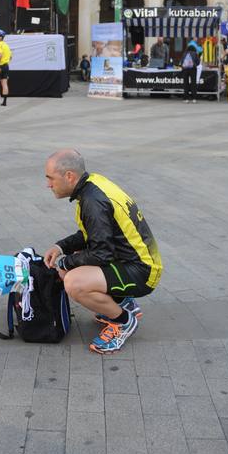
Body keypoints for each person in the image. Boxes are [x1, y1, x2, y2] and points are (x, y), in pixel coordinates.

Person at [43, 149, 162, 355]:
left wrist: (65, 262)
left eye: (51, 178)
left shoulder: (93, 201)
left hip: (142, 272)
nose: (48, 185)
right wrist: (60, 246)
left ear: (69, 176)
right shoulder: (93, 185)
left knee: (72, 281)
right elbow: (94, 235)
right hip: (132, 261)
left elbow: (101, 253)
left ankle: (123, 322)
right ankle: (122, 302)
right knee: (73, 264)